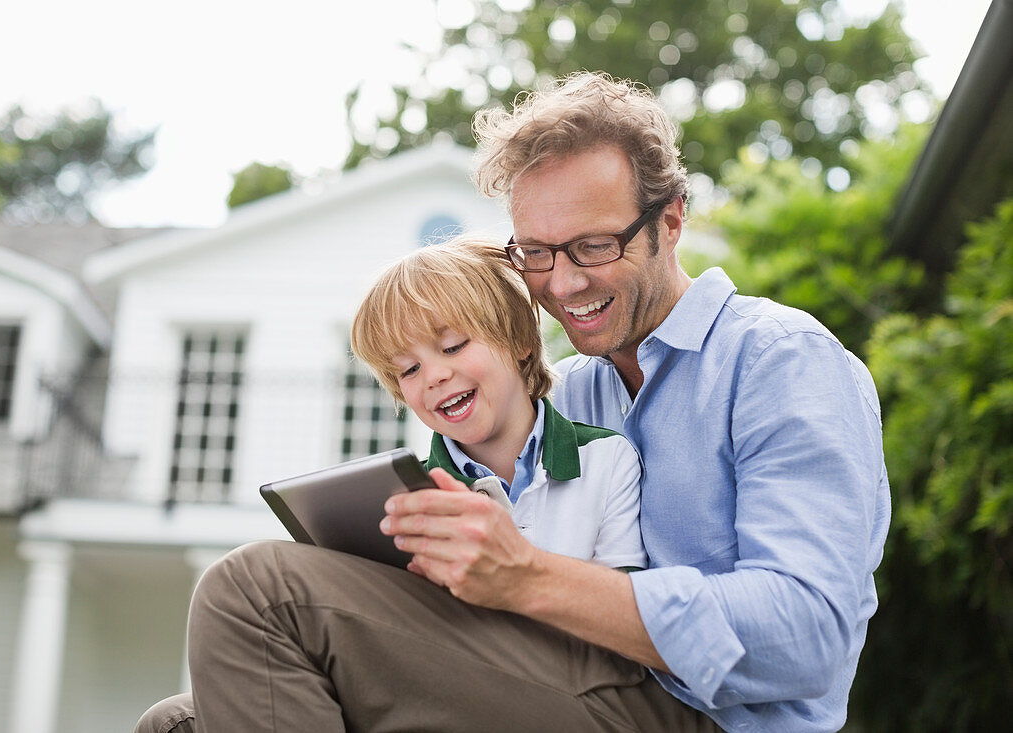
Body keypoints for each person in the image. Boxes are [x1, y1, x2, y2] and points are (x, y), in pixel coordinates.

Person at [135, 72, 890, 733]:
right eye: (536, 252)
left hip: (698, 718)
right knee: (177, 722)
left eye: (594, 246)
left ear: (671, 220)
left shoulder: (777, 360)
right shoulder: (575, 388)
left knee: (256, 590)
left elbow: (808, 636)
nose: (561, 285)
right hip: (557, 679)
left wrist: (526, 575)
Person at [349, 236, 646, 570]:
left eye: (453, 346)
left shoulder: (608, 458)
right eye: (409, 369)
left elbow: (620, 601)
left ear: (519, 339)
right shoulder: (407, 502)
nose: (433, 377)